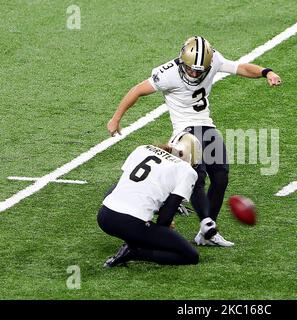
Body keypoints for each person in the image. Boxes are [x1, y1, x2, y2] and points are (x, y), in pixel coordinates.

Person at [107, 36, 282, 247]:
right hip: (183, 130)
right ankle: (190, 215)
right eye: (190, 69)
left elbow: (240, 68)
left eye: (199, 71)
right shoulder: (168, 73)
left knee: (221, 175)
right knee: (196, 175)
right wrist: (116, 118)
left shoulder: (214, 60)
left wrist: (266, 72)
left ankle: (207, 232)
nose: (194, 74)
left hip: (206, 124)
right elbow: (137, 90)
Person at [97, 132, 219, 267]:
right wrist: (164, 232)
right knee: (191, 255)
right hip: (131, 223)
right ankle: (133, 252)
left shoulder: (143, 149)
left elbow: (115, 188)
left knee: (136, 214)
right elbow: (164, 219)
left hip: (104, 216)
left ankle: (133, 241)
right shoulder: (186, 171)